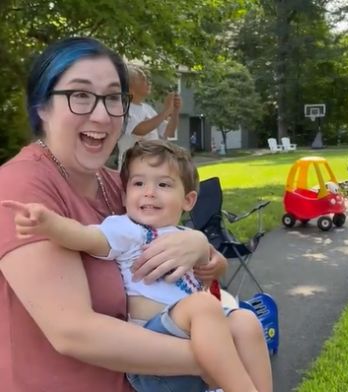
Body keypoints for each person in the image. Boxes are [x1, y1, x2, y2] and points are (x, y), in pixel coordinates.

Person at [0, 37, 270, 392]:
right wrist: (222, 358)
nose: (102, 114)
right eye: (80, 95)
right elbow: (72, 332)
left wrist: (200, 245)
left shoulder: (121, 183)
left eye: (113, 97)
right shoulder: (21, 187)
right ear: (42, 107)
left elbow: (201, 263)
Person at [3, 139, 269, 392]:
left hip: (190, 332)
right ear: (125, 193)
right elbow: (84, 237)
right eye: (139, 183)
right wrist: (49, 224)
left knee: (246, 321)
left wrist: (206, 257)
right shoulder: (127, 230)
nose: (149, 193)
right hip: (153, 351)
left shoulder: (179, 234)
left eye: (163, 185)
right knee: (204, 305)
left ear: (188, 200)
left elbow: (210, 268)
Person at [117, 65, 180, 169]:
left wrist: (175, 111)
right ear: (130, 88)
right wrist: (166, 111)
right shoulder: (123, 108)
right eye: (143, 79)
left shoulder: (148, 109)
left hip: (152, 167)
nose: (148, 82)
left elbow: (169, 132)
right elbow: (140, 130)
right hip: (130, 169)